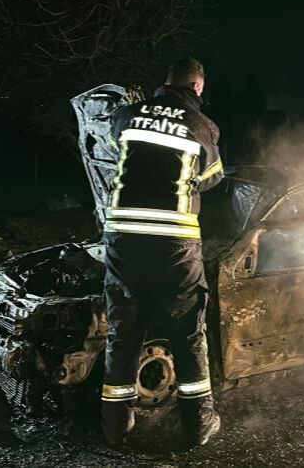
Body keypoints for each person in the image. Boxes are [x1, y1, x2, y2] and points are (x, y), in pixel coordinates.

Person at [99, 57, 224, 447]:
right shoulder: (203, 127)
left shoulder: (127, 115)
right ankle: (199, 425)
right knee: (188, 333)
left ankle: (115, 427)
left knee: (123, 333)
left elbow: (114, 151)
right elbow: (211, 179)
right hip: (174, 245)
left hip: (124, 243)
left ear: (165, 82)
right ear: (198, 88)